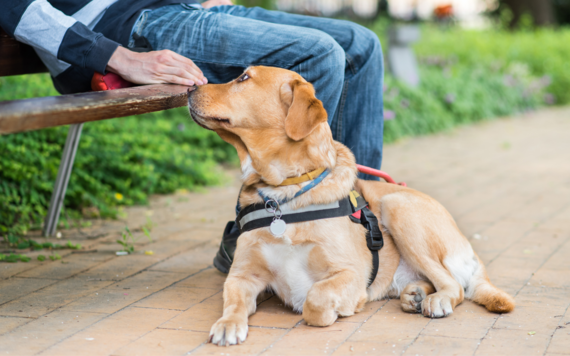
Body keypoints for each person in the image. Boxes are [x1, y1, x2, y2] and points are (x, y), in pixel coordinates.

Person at [2, 0, 385, 273]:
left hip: (180, 9)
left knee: (362, 45)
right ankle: (261, 230)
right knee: (318, 54)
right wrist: (115, 55)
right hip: (121, 24)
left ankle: (361, 224)